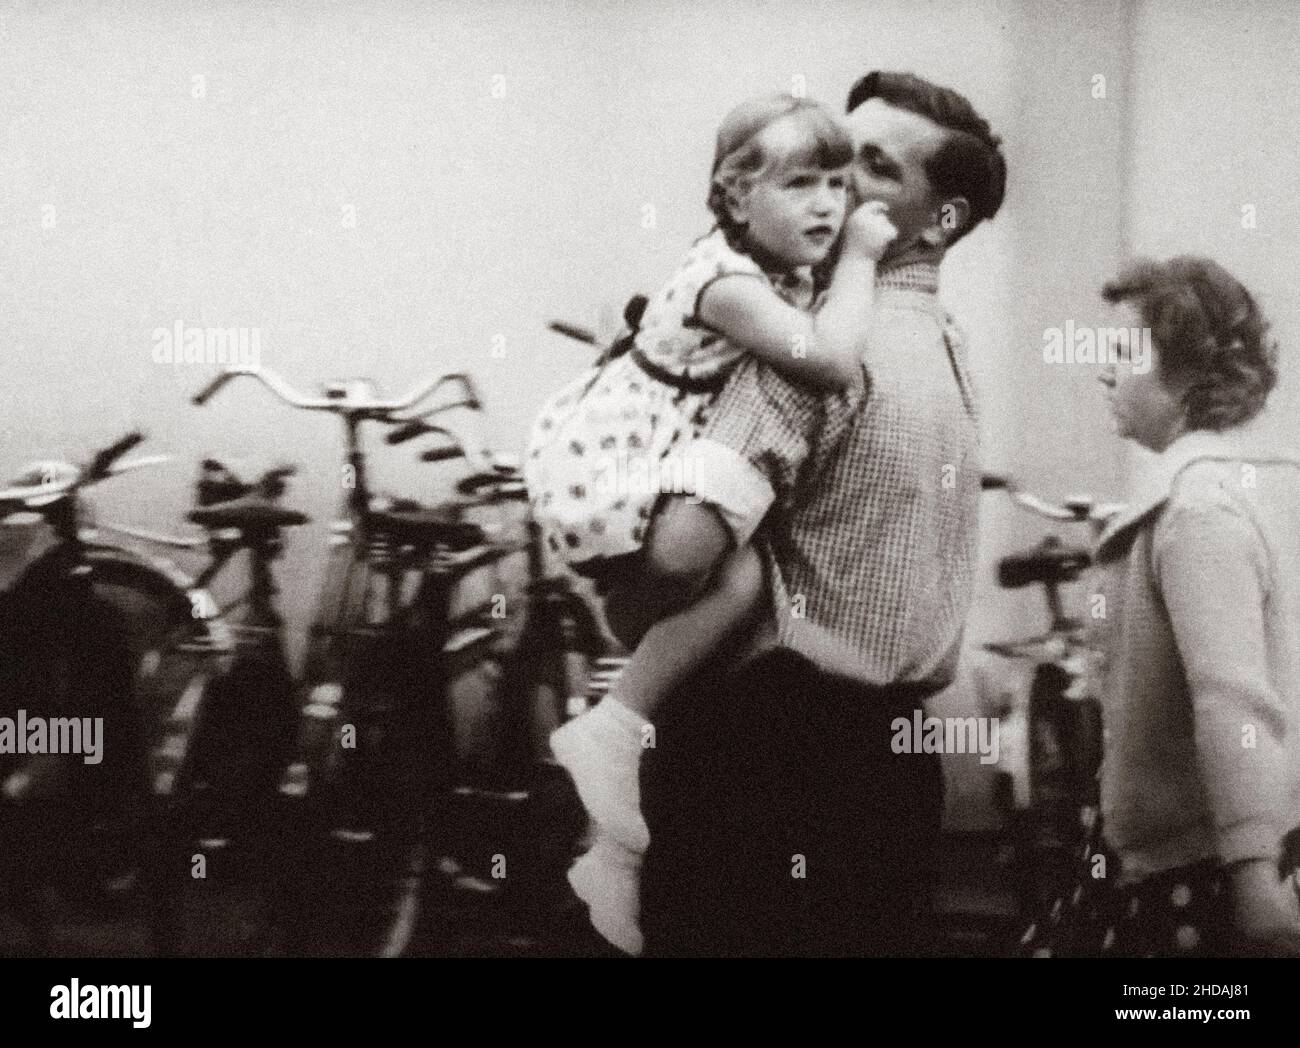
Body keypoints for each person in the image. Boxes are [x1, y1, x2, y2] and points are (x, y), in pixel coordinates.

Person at [635, 70, 1007, 956]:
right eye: (830, 156)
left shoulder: (814, 349)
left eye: (869, 168)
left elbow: (683, 550)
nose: (832, 182)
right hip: (896, 767)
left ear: (942, 218)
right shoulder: (948, 346)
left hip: (764, 762)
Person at [522, 93, 897, 954]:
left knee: (722, 615)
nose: (829, 206)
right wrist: (866, 259)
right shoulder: (725, 284)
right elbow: (830, 360)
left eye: (839, 185)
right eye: (801, 183)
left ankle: (610, 851)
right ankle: (611, 726)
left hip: (670, 458)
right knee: (733, 583)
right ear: (732, 199)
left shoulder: (771, 263)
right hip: (623, 461)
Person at [1023, 256, 1300, 957]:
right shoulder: (1258, 487)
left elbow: (1230, 700)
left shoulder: (1197, 511)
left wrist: (1252, 872)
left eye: (1123, 353)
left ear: (1186, 373)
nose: (1105, 371)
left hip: (1198, 868)